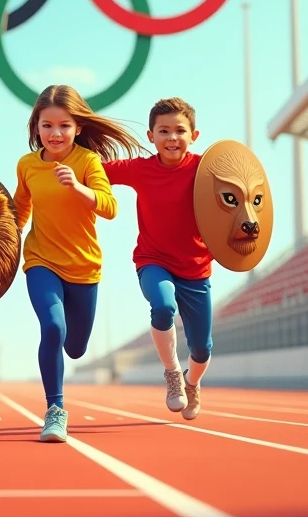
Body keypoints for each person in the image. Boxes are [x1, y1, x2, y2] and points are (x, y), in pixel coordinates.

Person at [13, 84, 143, 443]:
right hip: (41, 260)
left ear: (78, 128)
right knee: (53, 328)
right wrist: (6, 239)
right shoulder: (27, 166)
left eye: (64, 125)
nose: (55, 133)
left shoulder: (87, 162)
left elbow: (110, 206)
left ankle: (68, 354)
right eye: (47, 125)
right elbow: (20, 209)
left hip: (84, 267)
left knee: (75, 347)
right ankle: (55, 411)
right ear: (36, 126)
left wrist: (78, 188)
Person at [104, 97, 212, 419]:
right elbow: (95, 172)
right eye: (163, 131)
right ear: (151, 136)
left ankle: (193, 383)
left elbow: (243, 196)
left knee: (202, 348)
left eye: (180, 130)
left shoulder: (206, 169)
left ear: (194, 135)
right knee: (163, 305)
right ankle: (173, 375)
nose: (172, 138)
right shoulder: (141, 169)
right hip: (154, 260)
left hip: (196, 267)